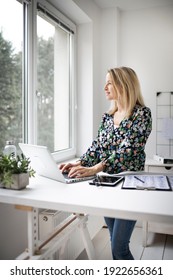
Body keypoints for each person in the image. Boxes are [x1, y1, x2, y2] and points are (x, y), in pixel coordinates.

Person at [59, 66, 152, 260]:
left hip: (130, 186)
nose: (105, 87)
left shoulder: (142, 114)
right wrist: (78, 163)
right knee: (113, 239)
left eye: (109, 82)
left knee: (119, 247)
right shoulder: (107, 117)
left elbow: (129, 150)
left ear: (123, 85)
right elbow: (97, 147)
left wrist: (96, 168)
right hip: (108, 184)